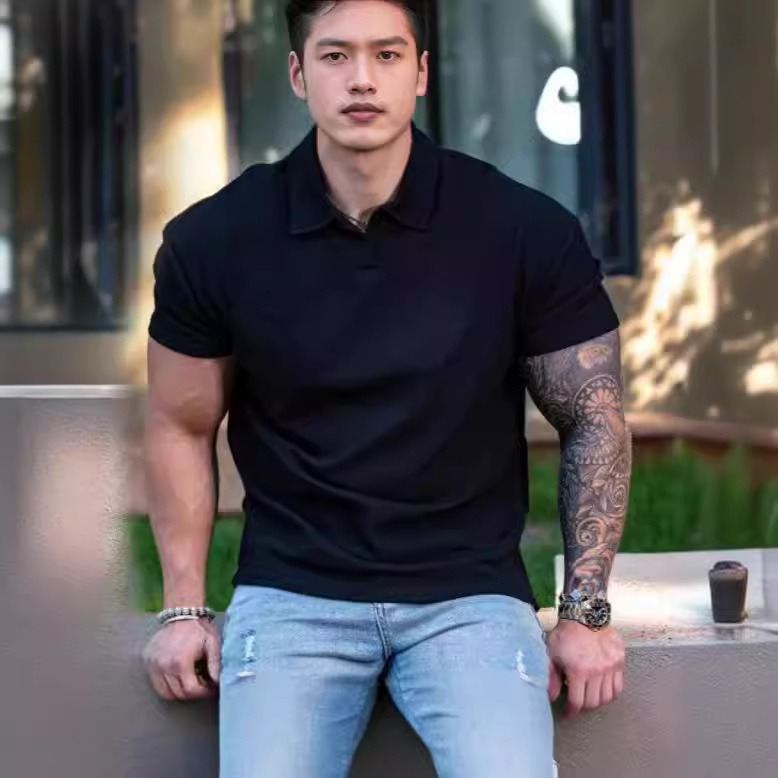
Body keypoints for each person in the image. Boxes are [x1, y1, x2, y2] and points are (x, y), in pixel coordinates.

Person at [141, 1, 631, 775]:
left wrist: (585, 612)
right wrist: (183, 609)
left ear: (422, 72)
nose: (362, 79)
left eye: (388, 54)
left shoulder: (521, 228)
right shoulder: (215, 240)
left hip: (470, 599)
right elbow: (179, 423)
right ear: (298, 73)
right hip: (293, 597)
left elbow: (594, 417)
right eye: (335, 56)